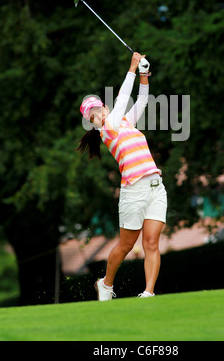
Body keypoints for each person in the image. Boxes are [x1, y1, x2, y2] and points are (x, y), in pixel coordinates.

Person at [77, 52, 167, 300]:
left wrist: (144, 75)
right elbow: (123, 98)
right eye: (93, 114)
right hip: (133, 191)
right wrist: (132, 67)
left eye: (99, 108)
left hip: (155, 187)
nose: (99, 113)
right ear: (92, 122)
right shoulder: (108, 130)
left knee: (151, 243)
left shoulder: (125, 122)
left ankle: (148, 292)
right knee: (127, 245)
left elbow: (142, 101)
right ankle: (106, 284)